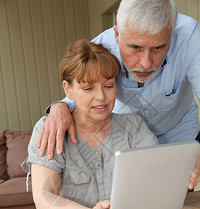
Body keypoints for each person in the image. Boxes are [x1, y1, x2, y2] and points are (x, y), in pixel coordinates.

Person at [37, 0, 200, 190]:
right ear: (116, 35)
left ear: (171, 35)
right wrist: (59, 107)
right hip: (129, 140)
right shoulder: (100, 48)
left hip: (179, 134)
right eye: (135, 48)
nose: (146, 63)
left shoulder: (189, 37)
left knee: (173, 203)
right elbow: (79, 95)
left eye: (158, 48)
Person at [22, 40, 157, 209]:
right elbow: (44, 199)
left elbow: (155, 184)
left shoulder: (134, 128)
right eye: (88, 89)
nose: (101, 97)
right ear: (68, 90)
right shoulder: (49, 129)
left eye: (109, 86)